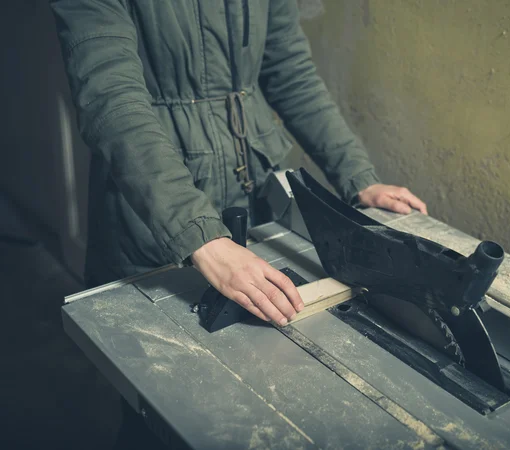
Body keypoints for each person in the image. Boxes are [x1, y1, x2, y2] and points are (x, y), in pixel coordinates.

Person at [50, 1, 427, 448]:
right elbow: (110, 98)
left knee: (254, 395)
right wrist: (199, 233)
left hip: (254, 198)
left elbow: (290, 70)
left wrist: (357, 176)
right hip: (153, 214)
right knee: (160, 408)